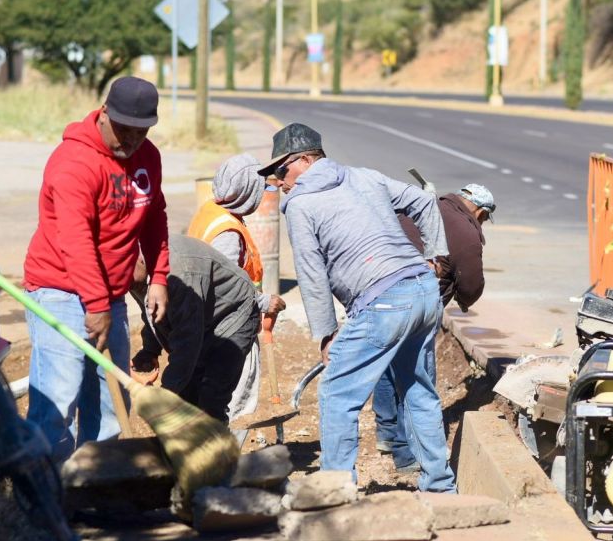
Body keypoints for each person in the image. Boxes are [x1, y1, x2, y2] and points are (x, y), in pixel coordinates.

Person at [261, 122, 457, 493]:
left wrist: (326, 334)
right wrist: (433, 256)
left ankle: (336, 490)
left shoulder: (301, 204)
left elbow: (311, 273)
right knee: (419, 391)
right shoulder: (365, 177)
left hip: (383, 302)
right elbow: (424, 200)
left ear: (305, 160)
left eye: (281, 170)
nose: (278, 180)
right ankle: (440, 486)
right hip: (423, 292)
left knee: (337, 392)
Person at [23, 76, 169, 462]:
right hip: (60, 291)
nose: (131, 140)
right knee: (57, 404)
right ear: (104, 112)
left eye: (141, 131)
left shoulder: (148, 157)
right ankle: (45, 496)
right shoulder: (74, 163)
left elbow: (155, 217)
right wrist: (96, 305)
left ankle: (94, 490)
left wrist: (158, 277)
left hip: (111, 297)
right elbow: (76, 241)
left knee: (108, 405)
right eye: (123, 129)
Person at [374, 184, 495, 470]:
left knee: (385, 364)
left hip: (377, 294)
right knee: (414, 376)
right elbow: (471, 284)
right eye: (484, 219)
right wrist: (465, 299)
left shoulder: (422, 205)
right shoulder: (466, 233)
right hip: (416, 304)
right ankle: (407, 453)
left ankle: (387, 433)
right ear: (480, 211)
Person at [186, 153, 286, 427]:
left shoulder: (212, 212)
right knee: (226, 400)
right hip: (225, 327)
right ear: (247, 192)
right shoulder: (227, 233)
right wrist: (264, 302)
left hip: (208, 322)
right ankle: (220, 455)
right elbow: (225, 287)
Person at [130, 234, 261, 424]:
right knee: (186, 397)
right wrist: (150, 349)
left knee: (210, 400)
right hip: (201, 316)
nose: (124, 284)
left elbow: (187, 342)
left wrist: (166, 394)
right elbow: (150, 309)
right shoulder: (133, 273)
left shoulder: (180, 274)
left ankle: (216, 451)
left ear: (138, 257)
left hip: (234, 313)